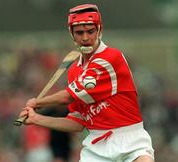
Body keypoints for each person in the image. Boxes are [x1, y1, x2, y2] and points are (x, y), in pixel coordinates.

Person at [19, 4, 155, 162]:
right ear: (72, 34)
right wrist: (36, 119)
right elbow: (77, 123)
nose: (85, 38)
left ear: (99, 30)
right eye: (79, 32)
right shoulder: (74, 71)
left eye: (90, 31)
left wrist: (38, 102)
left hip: (130, 139)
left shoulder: (110, 58)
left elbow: (67, 97)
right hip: (96, 147)